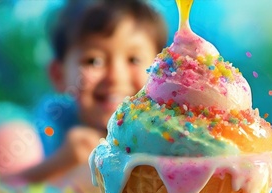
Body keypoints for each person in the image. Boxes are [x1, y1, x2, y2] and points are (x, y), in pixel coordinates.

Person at [11, 0, 168, 183]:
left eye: (133, 59)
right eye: (94, 61)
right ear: (58, 75)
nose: (115, 76)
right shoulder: (49, 127)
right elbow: (3, 190)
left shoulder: (164, 132)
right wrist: (60, 162)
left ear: (160, 72)